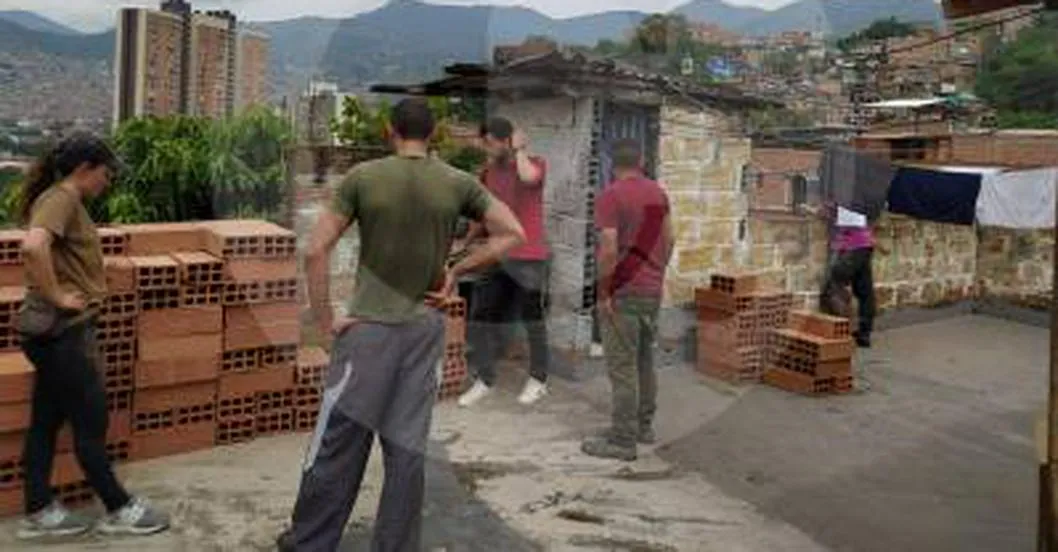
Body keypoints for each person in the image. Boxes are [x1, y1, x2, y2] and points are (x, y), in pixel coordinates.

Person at [277, 99, 525, 552]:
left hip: (367, 331)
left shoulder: (363, 178)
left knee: (340, 443)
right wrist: (456, 271)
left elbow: (315, 251)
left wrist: (327, 320)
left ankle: (311, 542)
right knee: (407, 451)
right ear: (434, 134)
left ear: (390, 129)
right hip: (422, 330)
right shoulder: (456, 182)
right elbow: (512, 232)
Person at [16, 132, 169, 539]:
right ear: (84, 169)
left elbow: (59, 254)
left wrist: (95, 275)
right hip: (60, 332)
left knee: (46, 421)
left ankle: (37, 510)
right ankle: (119, 507)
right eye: (105, 172)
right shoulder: (61, 199)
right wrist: (58, 296)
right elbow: (34, 248)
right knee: (90, 418)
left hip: (52, 333)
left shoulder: (63, 199)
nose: (108, 180)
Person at [581, 139, 674, 462]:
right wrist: (657, 275)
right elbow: (670, 238)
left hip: (623, 293)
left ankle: (622, 441)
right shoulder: (658, 194)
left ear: (612, 164)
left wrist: (605, 291)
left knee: (622, 368)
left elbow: (608, 249)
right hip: (651, 292)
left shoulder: (611, 196)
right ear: (642, 160)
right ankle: (643, 427)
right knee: (644, 361)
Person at [458, 117, 551, 408]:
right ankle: (485, 379)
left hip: (528, 258)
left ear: (505, 140)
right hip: (497, 255)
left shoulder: (535, 164)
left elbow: (527, 178)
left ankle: (538, 380)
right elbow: (484, 213)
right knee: (480, 317)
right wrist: (466, 242)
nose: (486, 150)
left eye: (489, 143)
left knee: (532, 321)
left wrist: (519, 149)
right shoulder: (489, 172)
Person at [817, 203, 878, 349]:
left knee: (832, 285)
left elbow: (834, 214)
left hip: (852, 246)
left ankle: (839, 331)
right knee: (864, 290)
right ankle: (864, 334)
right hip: (863, 245)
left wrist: (819, 211)